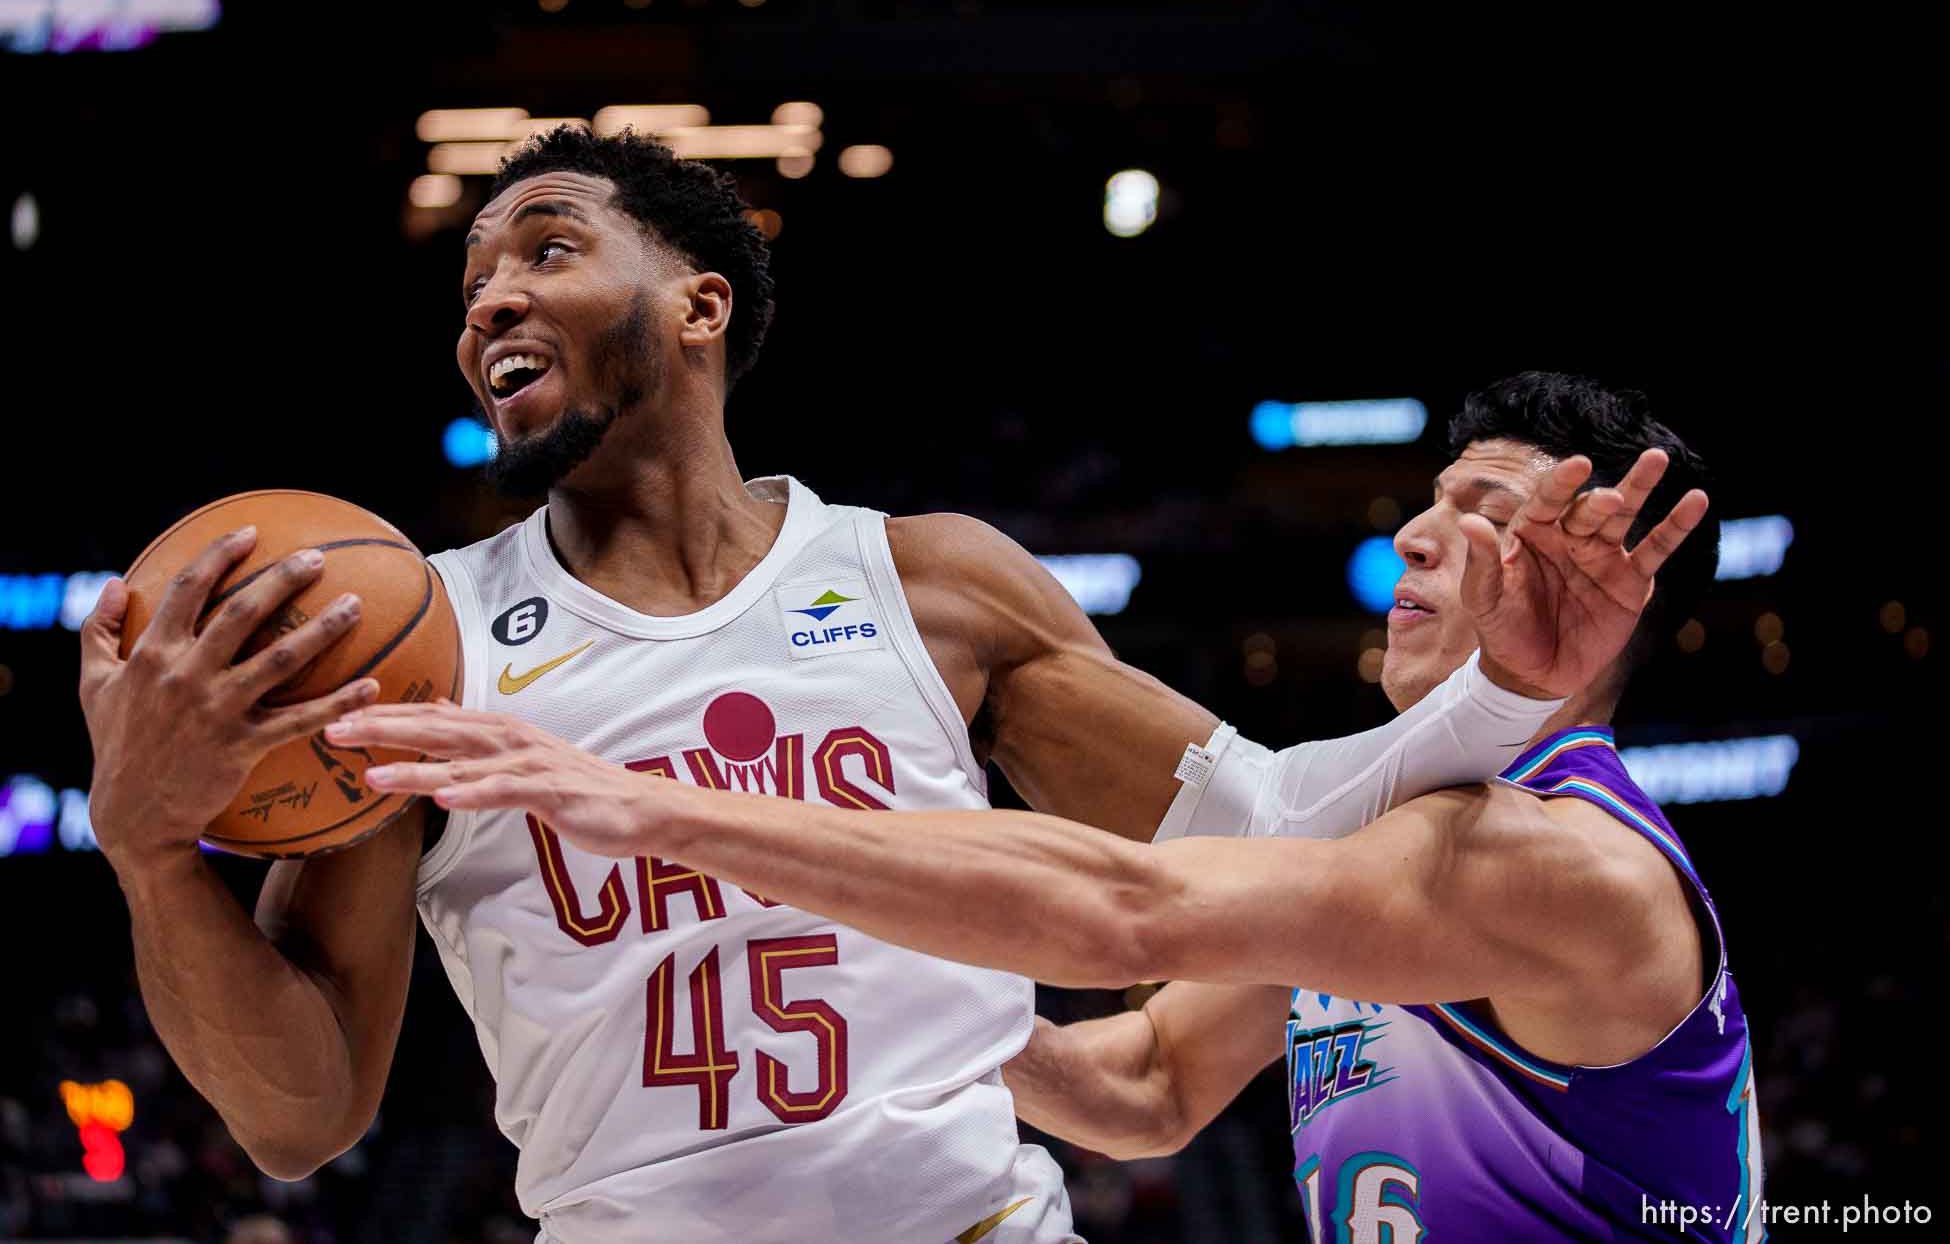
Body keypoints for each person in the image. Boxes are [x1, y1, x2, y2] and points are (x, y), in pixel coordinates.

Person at [79, 120, 1685, 1244]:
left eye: (546, 247)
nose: (488, 297)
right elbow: (298, 1121)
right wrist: (153, 853)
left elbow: (1248, 823)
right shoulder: (412, 649)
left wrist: (1485, 710)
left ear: (698, 304)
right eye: (471, 285)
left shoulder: (928, 583)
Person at [340, 373, 1743, 1242]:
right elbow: (1144, 1085)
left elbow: (1123, 905)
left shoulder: (1551, 862)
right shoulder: (1381, 861)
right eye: (1431, 499)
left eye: (1489, 512)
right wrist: (841, 1002)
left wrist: (658, 811)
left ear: (1604, 595)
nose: (1419, 532)